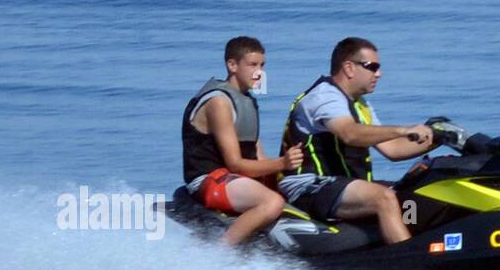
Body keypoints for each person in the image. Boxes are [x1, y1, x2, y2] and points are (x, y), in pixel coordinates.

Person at [278, 37, 437, 244]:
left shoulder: (360, 105)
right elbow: (349, 133)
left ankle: (408, 243)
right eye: (372, 67)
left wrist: (438, 138)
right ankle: (411, 261)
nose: (379, 74)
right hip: (308, 186)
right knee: (383, 198)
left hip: (339, 185)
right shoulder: (325, 97)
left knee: (410, 196)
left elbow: (393, 149)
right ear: (349, 68)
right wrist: (403, 130)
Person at [181, 36, 303, 245]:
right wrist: (283, 162)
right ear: (232, 65)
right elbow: (235, 163)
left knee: (293, 189)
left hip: (235, 178)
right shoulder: (219, 102)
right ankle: (220, 254)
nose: (259, 72)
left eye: (262, 65)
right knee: (272, 202)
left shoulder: (248, 101)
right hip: (208, 179)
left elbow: (258, 157)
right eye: (252, 65)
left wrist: (289, 171)